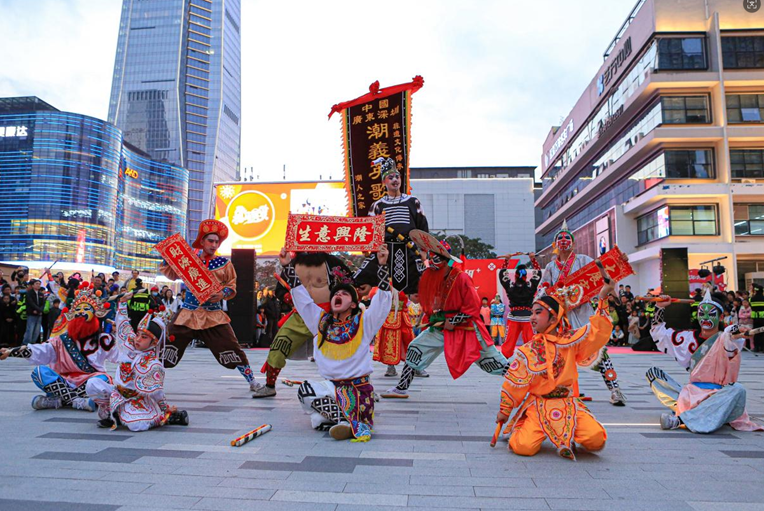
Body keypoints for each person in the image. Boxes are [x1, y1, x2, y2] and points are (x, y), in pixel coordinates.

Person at [496, 277, 615, 459]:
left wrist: (603, 297)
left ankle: (567, 432)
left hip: (568, 403)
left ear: (553, 317)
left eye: (538, 313)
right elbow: (514, 383)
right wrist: (505, 410)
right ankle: (524, 424)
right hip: (538, 405)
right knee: (523, 447)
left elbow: (597, 333)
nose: (532, 317)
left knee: (596, 439)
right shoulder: (528, 350)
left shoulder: (571, 341)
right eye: (532, 313)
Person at [381, 234, 508, 399]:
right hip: (442, 326)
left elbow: (473, 306)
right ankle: (401, 387)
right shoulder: (436, 277)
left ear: (446, 261)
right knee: (415, 348)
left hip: (467, 328)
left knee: (493, 360)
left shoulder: (461, 278)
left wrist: (454, 320)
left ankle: (522, 380)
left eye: (436, 260)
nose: (432, 265)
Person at [286, 245, 392, 441]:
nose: (338, 295)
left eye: (344, 294)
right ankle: (344, 421)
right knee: (306, 390)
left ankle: (344, 421)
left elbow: (383, 301)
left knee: (319, 416)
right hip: (331, 388)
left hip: (358, 391)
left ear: (353, 304)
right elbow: (302, 301)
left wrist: (383, 265)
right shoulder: (320, 321)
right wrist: (287, 266)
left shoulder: (364, 322)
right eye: (336, 294)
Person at [160, 219, 258, 391]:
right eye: (210, 241)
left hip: (213, 315)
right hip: (188, 314)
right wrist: (168, 255)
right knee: (166, 346)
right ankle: (149, 380)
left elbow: (231, 285)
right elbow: (171, 274)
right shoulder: (189, 261)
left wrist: (222, 294)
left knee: (232, 347)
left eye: (216, 242)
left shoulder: (224, 264)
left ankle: (252, 382)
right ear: (202, 241)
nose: (214, 245)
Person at [647, 290, 763, 433]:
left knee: (738, 389)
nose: (705, 317)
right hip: (693, 395)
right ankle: (699, 411)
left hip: (719, 395)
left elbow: (730, 334)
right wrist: (659, 308)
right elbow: (659, 333)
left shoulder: (726, 339)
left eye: (711, 314)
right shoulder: (688, 338)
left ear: (721, 317)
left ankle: (681, 419)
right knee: (654, 375)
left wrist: (736, 328)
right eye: (702, 313)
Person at [539, 220, 627, 406]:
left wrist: (618, 265)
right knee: (559, 355)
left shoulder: (583, 260)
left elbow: (601, 277)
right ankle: (562, 389)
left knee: (599, 352)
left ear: (573, 243)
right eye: (560, 238)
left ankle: (615, 390)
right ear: (555, 244)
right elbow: (542, 289)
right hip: (562, 317)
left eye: (567, 238)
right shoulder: (551, 267)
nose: (564, 241)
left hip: (583, 313)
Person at [0, 283, 117, 411]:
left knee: (102, 380)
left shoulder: (104, 339)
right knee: (40, 372)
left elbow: (122, 355)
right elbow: (41, 350)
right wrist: (11, 352)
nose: (81, 312)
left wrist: (122, 333)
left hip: (89, 382)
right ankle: (76, 401)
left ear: (95, 314)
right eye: (78, 309)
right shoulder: (61, 340)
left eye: (86, 309)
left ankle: (59, 400)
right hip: (63, 381)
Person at [253, 252, 356, 398]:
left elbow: (350, 285)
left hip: (327, 315)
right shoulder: (292, 264)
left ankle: (355, 387)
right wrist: (288, 297)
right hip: (300, 315)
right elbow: (280, 290)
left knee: (342, 352)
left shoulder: (331, 262)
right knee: (278, 346)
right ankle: (270, 385)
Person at [86, 296, 189, 430]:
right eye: (138, 334)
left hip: (135, 399)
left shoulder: (152, 364)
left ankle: (166, 417)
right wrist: (123, 303)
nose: (138, 339)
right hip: (117, 394)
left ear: (154, 342)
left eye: (144, 337)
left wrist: (165, 409)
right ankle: (111, 413)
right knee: (92, 384)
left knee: (136, 425)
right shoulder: (130, 343)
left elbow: (157, 393)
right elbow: (123, 324)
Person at [367, 157, 428, 295]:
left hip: (410, 249)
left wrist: (424, 251)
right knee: (384, 288)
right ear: (384, 182)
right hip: (387, 252)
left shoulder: (413, 202)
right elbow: (372, 232)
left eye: (397, 177)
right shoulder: (377, 205)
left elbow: (423, 227)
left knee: (415, 287)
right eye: (390, 178)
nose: (395, 180)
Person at [500, 259, 541, 358]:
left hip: (514, 317)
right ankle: (532, 359)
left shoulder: (511, 286)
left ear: (515, 276)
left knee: (509, 342)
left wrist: (506, 261)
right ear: (526, 276)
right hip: (527, 317)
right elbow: (538, 274)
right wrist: (533, 260)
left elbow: (502, 275)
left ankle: (505, 359)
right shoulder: (530, 286)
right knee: (531, 342)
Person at [373, 290, 415, 377]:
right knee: (389, 342)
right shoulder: (386, 286)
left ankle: (416, 366)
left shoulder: (406, 284)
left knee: (409, 341)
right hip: (388, 317)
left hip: (403, 316)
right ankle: (390, 366)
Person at [23, 279, 45, 345]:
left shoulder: (41, 294)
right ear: (32, 285)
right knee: (30, 329)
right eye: (36, 284)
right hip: (31, 313)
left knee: (37, 330)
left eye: (39, 284)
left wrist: (40, 310)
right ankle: (26, 344)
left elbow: (43, 304)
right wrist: (37, 310)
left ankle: (33, 343)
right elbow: (31, 303)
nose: (38, 285)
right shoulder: (29, 293)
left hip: (39, 314)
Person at [750, 284, 764, 352]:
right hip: (763, 317)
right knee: (763, 332)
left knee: (756, 332)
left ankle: (756, 347)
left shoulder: (752, 299)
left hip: (755, 318)